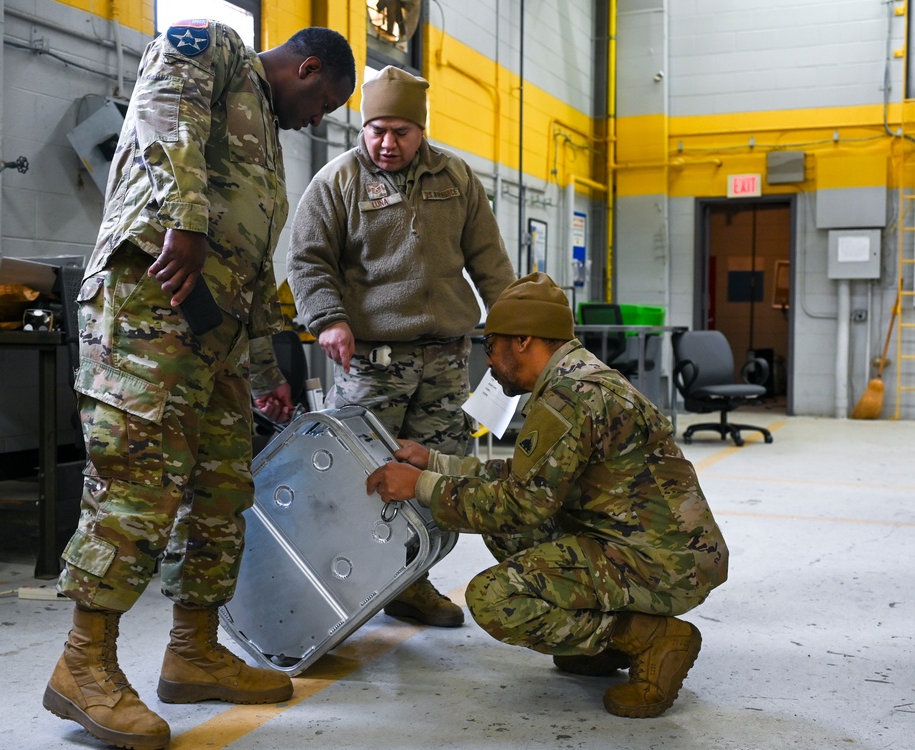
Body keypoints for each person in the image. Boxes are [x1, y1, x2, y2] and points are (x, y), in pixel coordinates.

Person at [42, 21, 356, 750]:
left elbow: (247, 269)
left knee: (221, 494)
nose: (315, 121)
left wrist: (264, 372)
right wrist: (183, 222)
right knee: (136, 487)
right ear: (308, 69)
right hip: (147, 305)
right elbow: (161, 112)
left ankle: (193, 650)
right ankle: (82, 665)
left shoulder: (265, 140)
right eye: (323, 107)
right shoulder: (209, 46)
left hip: (212, 343)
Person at [365, 272, 728, 718]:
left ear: (522, 339)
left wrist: (419, 487)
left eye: (490, 346)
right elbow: (525, 479)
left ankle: (647, 637)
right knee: (511, 534)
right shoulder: (578, 378)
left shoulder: (568, 398)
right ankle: (605, 641)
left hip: (662, 566)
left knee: (495, 598)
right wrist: (434, 463)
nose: (490, 363)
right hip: (656, 549)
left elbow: (519, 505)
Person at [287, 65, 516, 628]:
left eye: (401, 132)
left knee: (441, 475)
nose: (387, 144)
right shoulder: (337, 182)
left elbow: (490, 262)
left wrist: (510, 329)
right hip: (371, 362)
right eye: (376, 130)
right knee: (357, 477)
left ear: (422, 129)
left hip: (445, 360)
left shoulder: (457, 179)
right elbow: (307, 260)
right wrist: (329, 318)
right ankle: (345, 584)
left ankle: (411, 582)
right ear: (363, 128)